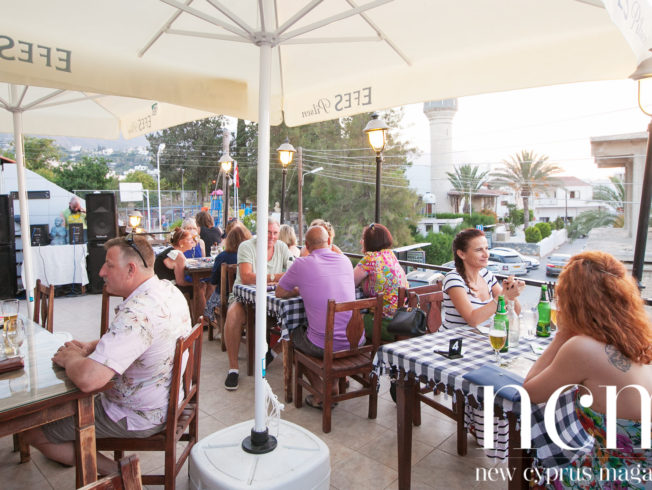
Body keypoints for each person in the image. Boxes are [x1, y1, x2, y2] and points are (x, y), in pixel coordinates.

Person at [22, 235, 191, 475]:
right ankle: (75, 451)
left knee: (32, 429)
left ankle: (120, 474)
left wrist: (71, 359)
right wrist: (93, 346)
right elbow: (146, 339)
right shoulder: (166, 290)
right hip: (165, 400)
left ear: (131, 269)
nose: (101, 271)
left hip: (137, 415)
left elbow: (89, 380)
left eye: (109, 265)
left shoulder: (137, 314)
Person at [523, 251, 652, 488]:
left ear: (572, 300)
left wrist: (563, 332)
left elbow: (530, 391)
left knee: (541, 479)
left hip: (623, 478)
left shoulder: (581, 348)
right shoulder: (639, 338)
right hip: (635, 466)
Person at [276, 225, 357, 408]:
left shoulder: (302, 264)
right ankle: (334, 383)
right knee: (325, 330)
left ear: (306, 245)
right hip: (355, 340)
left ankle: (321, 390)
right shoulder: (345, 261)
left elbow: (279, 292)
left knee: (293, 336)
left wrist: (298, 290)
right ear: (329, 241)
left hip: (326, 346)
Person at [223, 218, 290, 391]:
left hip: (272, 302)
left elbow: (289, 273)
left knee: (297, 314)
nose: (272, 236)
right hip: (244, 300)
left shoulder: (282, 247)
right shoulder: (246, 246)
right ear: (260, 231)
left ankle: (272, 352)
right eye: (268, 232)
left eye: (275, 233)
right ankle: (233, 368)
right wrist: (276, 277)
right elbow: (246, 277)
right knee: (233, 314)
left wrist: (278, 277)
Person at [442, 228, 524, 330]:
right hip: (454, 340)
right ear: (462, 254)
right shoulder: (453, 279)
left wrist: (511, 293)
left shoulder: (487, 275)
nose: (486, 255)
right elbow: (472, 319)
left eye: (487, 248)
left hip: (483, 338)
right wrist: (504, 296)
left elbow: (516, 311)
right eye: (479, 250)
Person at [353, 223, 407, 341]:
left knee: (347, 320)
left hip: (384, 324)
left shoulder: (370, 259)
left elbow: (349, 282)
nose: (361, 242)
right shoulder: (390, 255)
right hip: (402, 321)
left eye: (363, 239)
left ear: (369, 242)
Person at [203, 222, 252, 322]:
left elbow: (214, 280)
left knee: (210, 303)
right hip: (248, 297)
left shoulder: (222, 257)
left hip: (225, 297)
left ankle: (222, 330)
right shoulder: (252, 256)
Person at [153, 227, 196, 299]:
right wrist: (196, 284)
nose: (192, 241)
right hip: (167, 288)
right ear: (181, 243)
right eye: (189, 239)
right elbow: (180, 282)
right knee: (199, 288)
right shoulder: (178, 256)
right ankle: (198, 310)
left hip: (159, 285)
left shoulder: (170, 250)